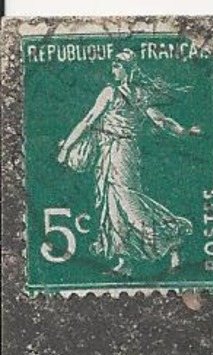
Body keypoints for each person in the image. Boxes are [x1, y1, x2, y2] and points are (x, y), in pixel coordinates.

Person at [56, 50, 201, 276]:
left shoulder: (125, 94)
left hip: (122, 152)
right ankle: (124, 262)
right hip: (107, 152)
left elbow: (160, 120)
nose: (113, 70)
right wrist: (68, 147)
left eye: (117, 66)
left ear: (128, 68)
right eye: (113, 65)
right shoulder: (115, 92)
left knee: (128, 201)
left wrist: (184, 131)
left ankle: (172, 239)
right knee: (111, 204)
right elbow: (89, 120)